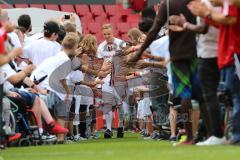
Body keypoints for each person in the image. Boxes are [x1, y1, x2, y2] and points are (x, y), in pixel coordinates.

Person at [131, 0, 211, 145]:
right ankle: (212, 134)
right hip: (196, 52)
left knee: (184, 94)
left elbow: (154, 29)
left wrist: (139, 52)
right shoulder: (194, 1)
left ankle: (190, 137)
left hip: (178, 56)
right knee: (200, 96)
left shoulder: (167, 5)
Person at [188, 0, 240, 145]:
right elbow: (222, 22)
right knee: (229, 95)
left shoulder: (227, 4)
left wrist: (206, 13)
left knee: (231, 96)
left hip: (227, 52)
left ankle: (227, 135)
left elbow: (229, 20)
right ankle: (227, 134)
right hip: (224, 53)